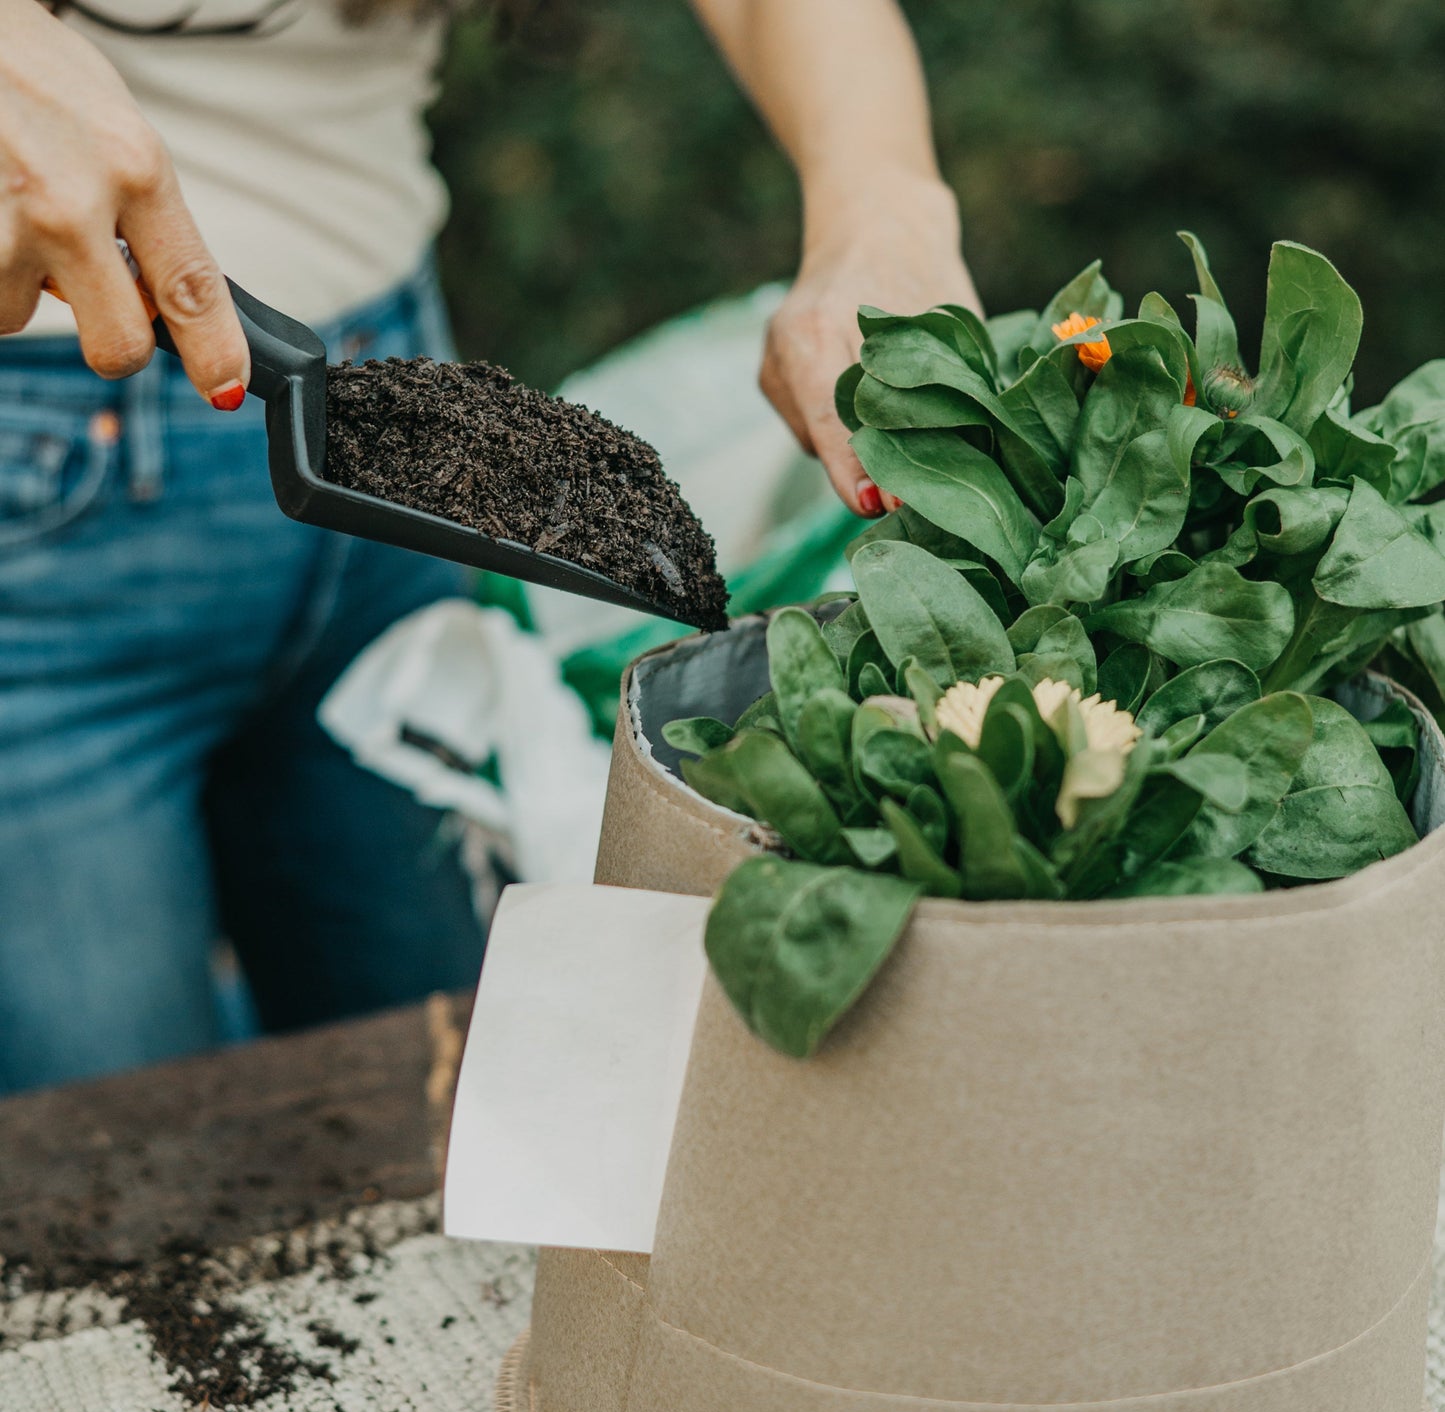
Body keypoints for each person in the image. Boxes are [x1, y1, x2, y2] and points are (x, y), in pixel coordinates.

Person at [0, 0, 979, 1094]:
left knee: (451, 1105)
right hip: (38, 490)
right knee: (116, 1176)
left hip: (385, 408)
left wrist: (882, 203)